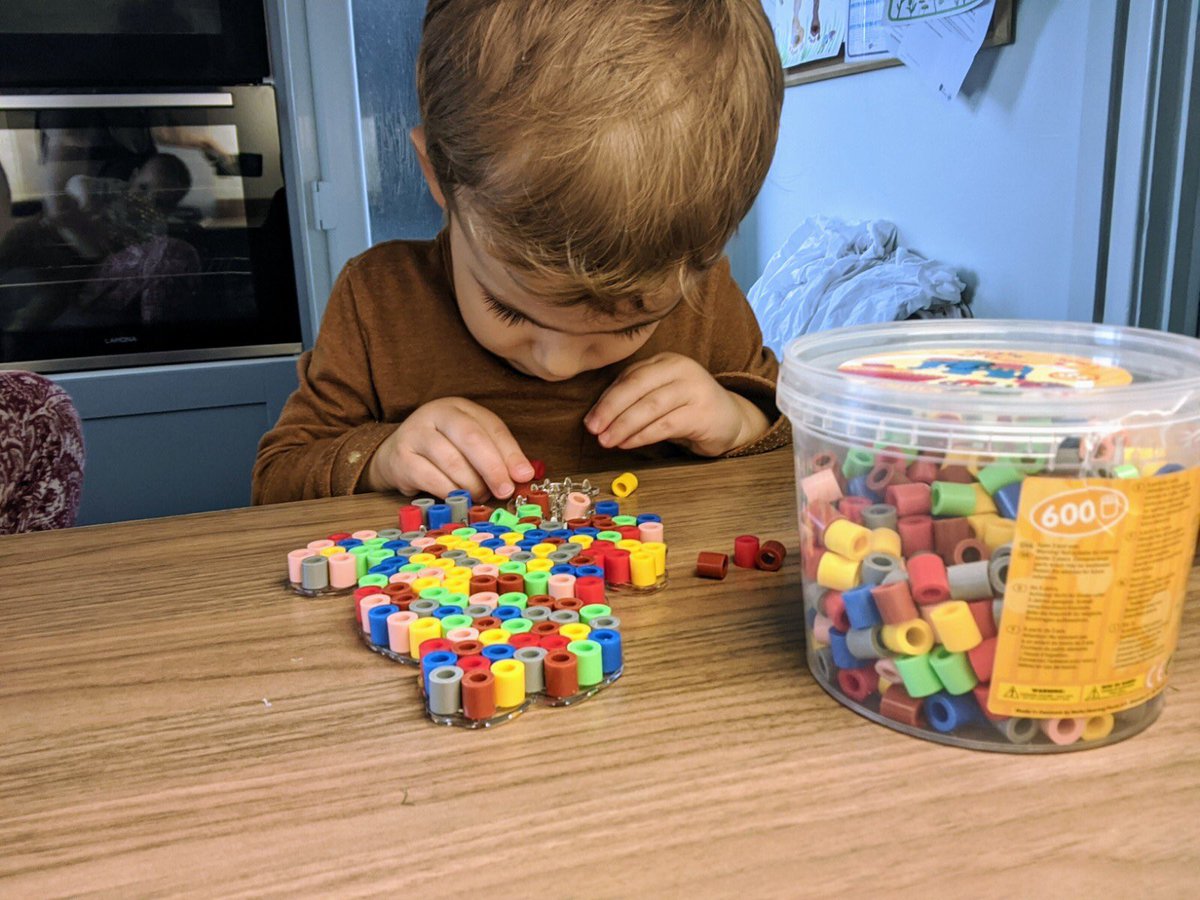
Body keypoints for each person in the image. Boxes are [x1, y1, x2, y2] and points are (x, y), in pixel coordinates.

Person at [253, 0, 788, 505]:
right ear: (438, 175)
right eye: (509, 311)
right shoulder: (376, 301)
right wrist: (381, 459)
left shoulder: (704, 300)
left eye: (630, 325)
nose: (556, 363)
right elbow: (276, 480)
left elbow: (805, 444)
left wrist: (739, 421)